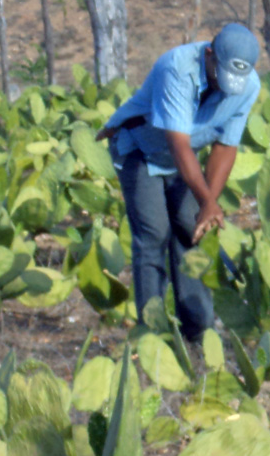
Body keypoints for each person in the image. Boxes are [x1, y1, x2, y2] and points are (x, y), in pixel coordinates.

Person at [96, 23, 261, 342]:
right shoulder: (177, 68)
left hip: (181, 162)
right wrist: (207, 201)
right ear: (210, 55)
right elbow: (178, 144)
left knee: (191, 229)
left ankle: (198, 331)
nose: (228, 87)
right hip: (140, 150)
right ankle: (151, 334)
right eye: (221, 75)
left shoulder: (248, 85)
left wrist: (207, 205)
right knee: (154, 233)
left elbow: (226, 146)